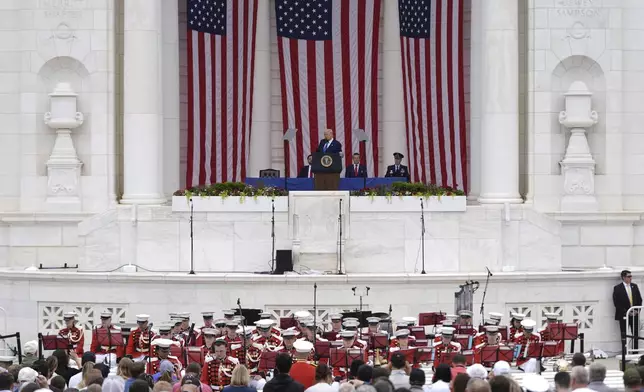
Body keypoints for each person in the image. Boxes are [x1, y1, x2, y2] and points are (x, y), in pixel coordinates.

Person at [613, 270, 643, 349]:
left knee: (635, 333)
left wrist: (637, 311)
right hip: (624, 315)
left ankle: (635, 351)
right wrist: (626, 312)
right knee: (624, 334)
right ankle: (624, 351)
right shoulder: (617, 288)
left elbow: (639, 300)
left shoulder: (634, 286)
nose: (631, 278)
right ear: (624, 277)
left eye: (631, 276)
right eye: (629, 276)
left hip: (634, 315)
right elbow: (616, 303)